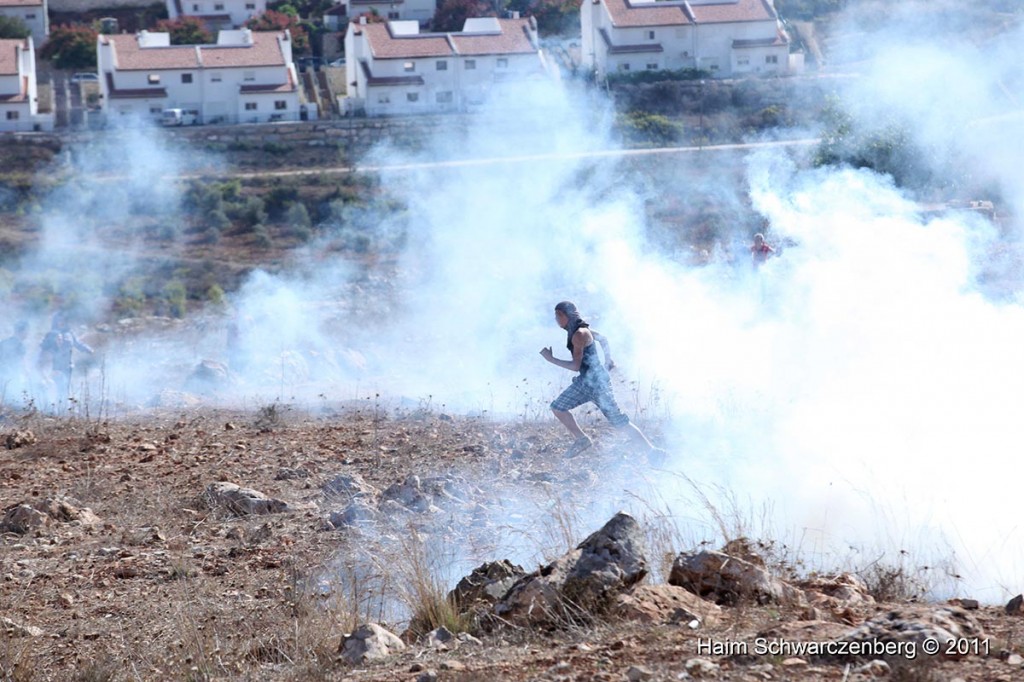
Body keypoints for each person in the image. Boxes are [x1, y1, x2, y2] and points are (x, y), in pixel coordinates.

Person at [540, 301, 666, 464]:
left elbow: (575, 366)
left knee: (561, 408)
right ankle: (652, 452)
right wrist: (608, 360)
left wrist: (551, 359)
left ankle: (583, 439)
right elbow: (603, 339)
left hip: (592, 384)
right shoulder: (582, 330)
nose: (556, 320)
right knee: (561, 408)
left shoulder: (578, 334)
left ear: (564, 315)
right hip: (592, 381)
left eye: (558, 315)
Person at [38, 312, 93, 409]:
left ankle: (62, 409)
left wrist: (87, 349)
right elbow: (44, 349)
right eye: (59, 320)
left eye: (63, 320)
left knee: (65, 389)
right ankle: (53, 408)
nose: (61, 322)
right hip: (55, 366)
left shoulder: (70, 333)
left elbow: (77, 343)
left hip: (67, 366)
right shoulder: (52, 334)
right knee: (56, 387)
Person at [0, 320, 29, 397]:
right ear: (22, 331)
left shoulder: (4, 342)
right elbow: (22, 360)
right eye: (27, 331)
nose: (27, 334)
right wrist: (26, 371)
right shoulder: (20, 344)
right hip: (13, 373)